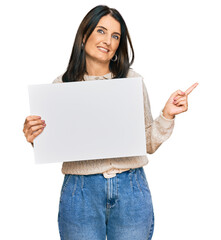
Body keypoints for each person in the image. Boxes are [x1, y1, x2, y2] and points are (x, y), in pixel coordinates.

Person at [23, 5, 198, 240]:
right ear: (84, 35)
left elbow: (147, 143)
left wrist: (167, 115)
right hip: (80, 191)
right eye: (101, 31)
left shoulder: (132, 81)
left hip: (131, 189)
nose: (108, 40)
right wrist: (35, 138)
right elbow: (56, 144)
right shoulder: (61, 87)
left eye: (115, 36)